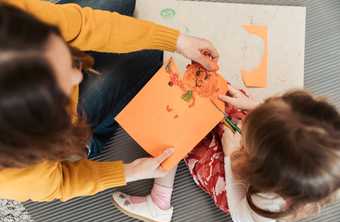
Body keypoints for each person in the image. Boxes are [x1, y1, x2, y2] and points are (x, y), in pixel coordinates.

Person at [0, 0, 220, 203]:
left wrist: (178, 41)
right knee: (148, 57)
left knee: (119, 3)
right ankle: (86, 143)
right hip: (62, 139)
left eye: (56, 39)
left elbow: (84, 25)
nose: (78, 75)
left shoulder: (10, 18)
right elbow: (63, 182)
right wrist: (129, 171)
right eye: (60, 92)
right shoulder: (15, 177)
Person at [113, 87, 340, 222]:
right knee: (220, 98)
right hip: (259, 153)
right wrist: (257, 107)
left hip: (234, 184)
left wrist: (230, 154)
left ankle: (159, 204)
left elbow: (239, 216)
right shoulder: (324, 148)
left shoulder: (266, 205)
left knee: (180, 130)